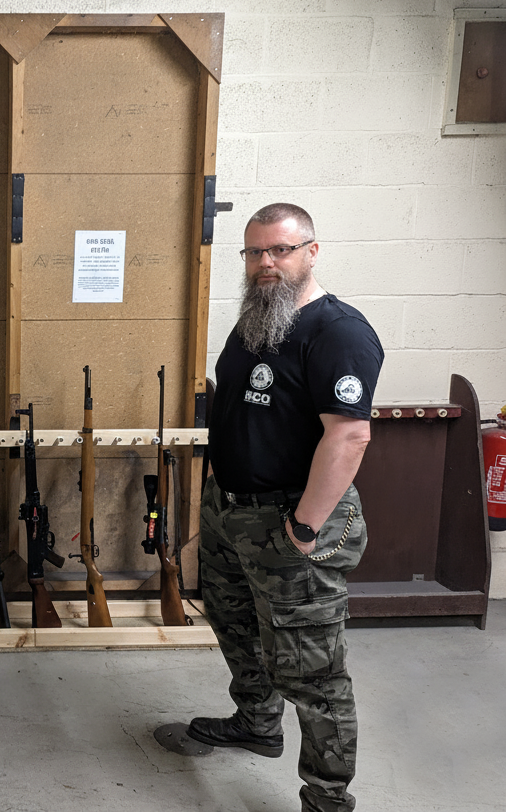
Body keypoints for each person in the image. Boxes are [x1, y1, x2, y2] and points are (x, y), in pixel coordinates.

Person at [188, 203, 384, 812]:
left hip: (295, 518)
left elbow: (349, 436)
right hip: (232, 513)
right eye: (255, 252)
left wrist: (304, 527)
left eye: (280, 249)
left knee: (312, 667)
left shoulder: (338, 331)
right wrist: (215, 502)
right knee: (235, 624)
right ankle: (257, 723)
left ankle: (327, 796)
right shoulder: (255, 323)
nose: (265, 262)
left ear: (312, 252)